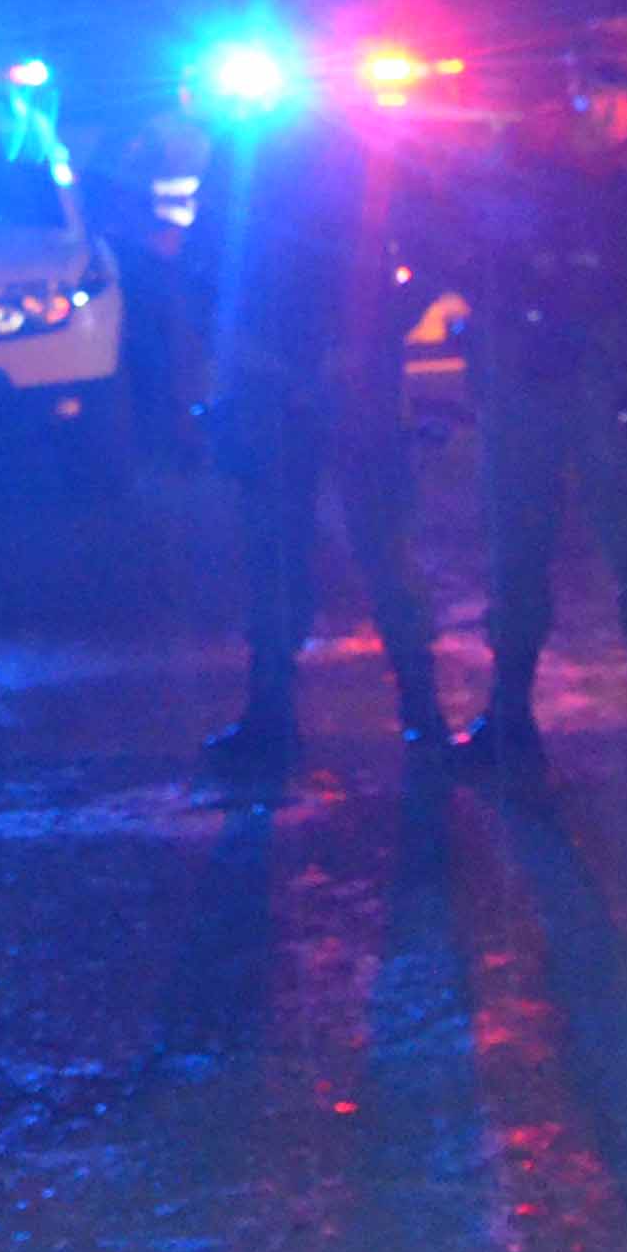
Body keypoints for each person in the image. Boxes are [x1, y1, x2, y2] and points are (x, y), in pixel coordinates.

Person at [454, 16, 627, 772]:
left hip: (607, 377)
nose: (620, 99)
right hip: (529, 370)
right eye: (605, 81)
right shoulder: (525, 153)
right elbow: (478, 251)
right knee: (517, 546)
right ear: (577, 81)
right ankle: (510, 709)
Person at [194, 80, 444, 772]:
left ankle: (298, 716)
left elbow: (203, 262)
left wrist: (369, 336)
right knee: (336, 547)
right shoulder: (358, 148)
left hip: (326, 379)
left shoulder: (269, 148)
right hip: (304, 378)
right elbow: (206, 260)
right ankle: (412, 713)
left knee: (331, 547)